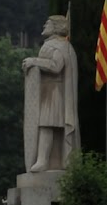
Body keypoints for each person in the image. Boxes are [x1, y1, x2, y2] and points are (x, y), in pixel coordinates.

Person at [22, 15, 79, 172]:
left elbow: (56, 66)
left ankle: (43, 160)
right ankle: (52, 160)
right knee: (48, 125)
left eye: (47, 23)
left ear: (55, 27)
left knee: (46, 125)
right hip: (48, 90)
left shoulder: (60, 46)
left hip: (56, 92)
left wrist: (35, 61)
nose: (44, 25)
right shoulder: (54, 45)